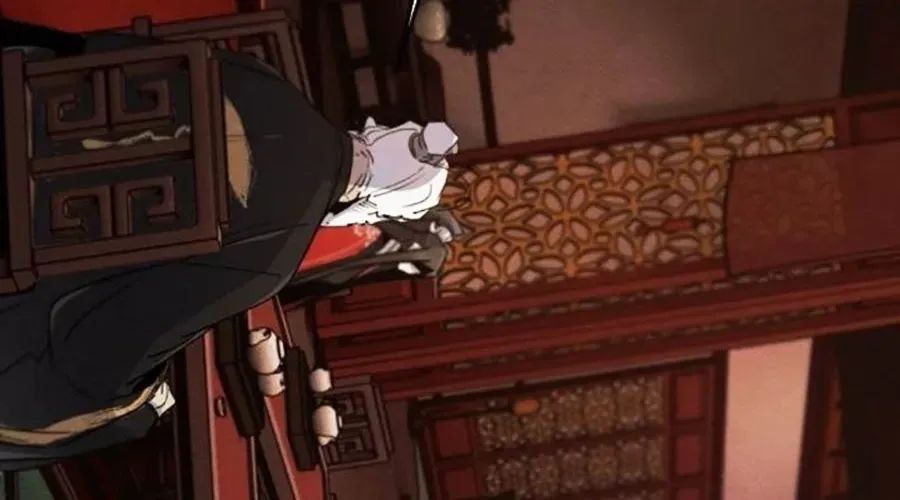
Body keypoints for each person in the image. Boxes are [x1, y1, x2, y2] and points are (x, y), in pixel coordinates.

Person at [0, 18, 458, 469]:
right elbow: (120, 331)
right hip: (18, 247)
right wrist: (143, 401)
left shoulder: (265, 82)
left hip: (14, 103)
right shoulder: (274, 255)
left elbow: (94, 52)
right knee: (106, 407)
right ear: (375, 204)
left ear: (374, 132)